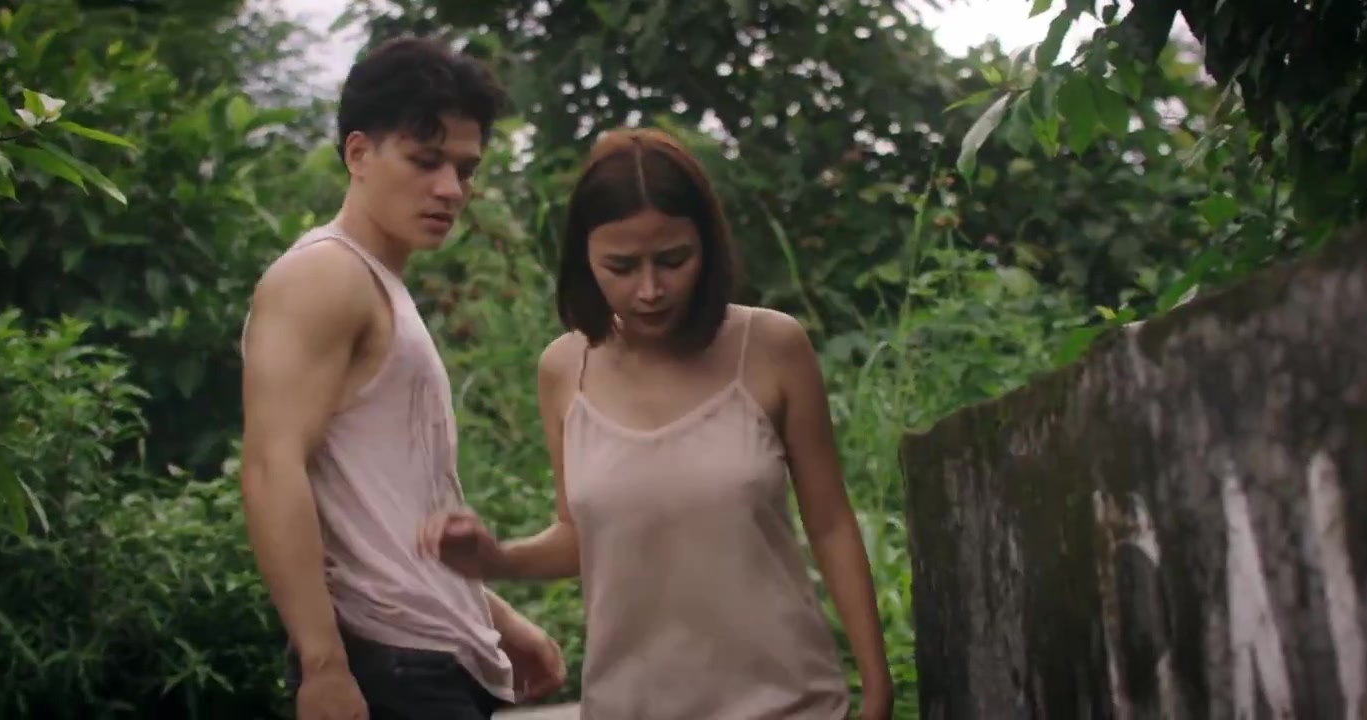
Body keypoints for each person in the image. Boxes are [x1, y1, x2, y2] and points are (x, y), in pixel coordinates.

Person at [421, 128, 893, 719]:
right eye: (621, 266)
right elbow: (579, 536)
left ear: (707, 247)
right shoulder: (565, 370)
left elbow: (830, 523)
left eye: (673, 260)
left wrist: (877, 687)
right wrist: (496, 560)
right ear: (585, 259)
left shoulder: (772, 347)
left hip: (788, 704)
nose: (649, 290)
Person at [238, 37, 565, 720]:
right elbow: (271, 467)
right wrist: (323, 666)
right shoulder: (324, 276)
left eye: (465, 169)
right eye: (425, 161)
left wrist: (499, 620)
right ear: (358, 153)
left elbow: (384, 519)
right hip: (389, 664)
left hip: (429, 657)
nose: (451, 189)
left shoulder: (378, 285)